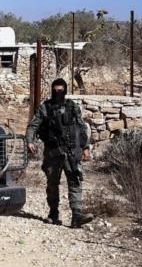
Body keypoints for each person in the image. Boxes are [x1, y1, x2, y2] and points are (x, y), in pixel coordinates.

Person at [26, 78, 95, 228]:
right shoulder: (46, 107)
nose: (58, 93)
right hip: (53, 152)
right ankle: (53, 213)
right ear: (52, 90)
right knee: (52, 184)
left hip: (71, 151)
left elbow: (81, 127)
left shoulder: (72, 106)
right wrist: (29, 141)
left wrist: (86, 147)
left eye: (61, 90)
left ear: (65, 90)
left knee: (75, 181)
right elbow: (33, 125)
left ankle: (77, 215)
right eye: (55, 90)